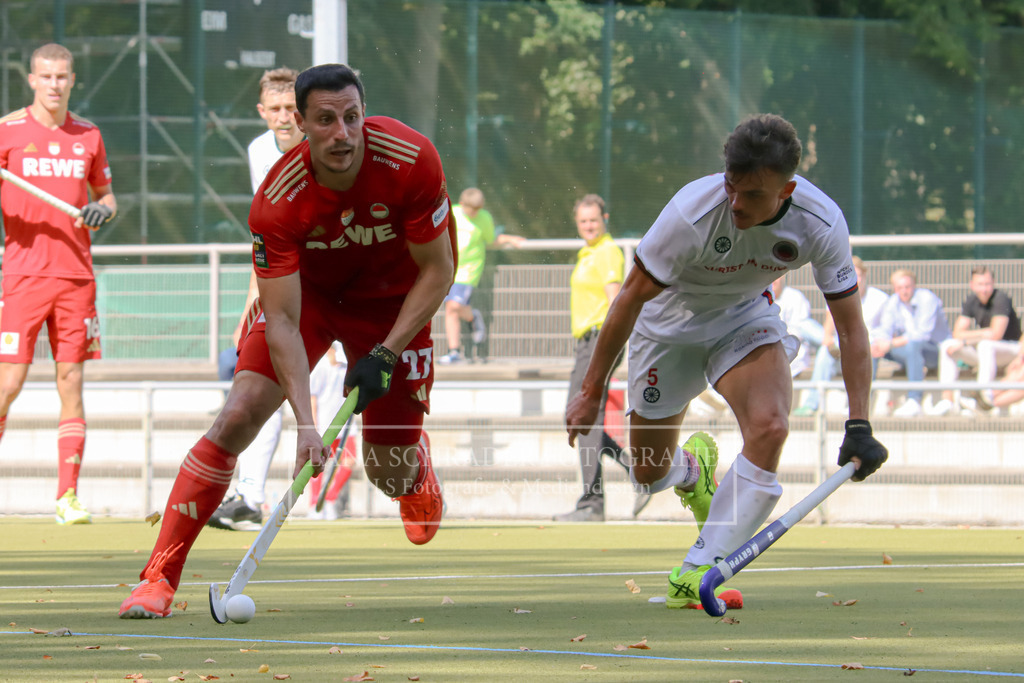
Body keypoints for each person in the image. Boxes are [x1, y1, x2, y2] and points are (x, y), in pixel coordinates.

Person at [119, 63, 454, 618]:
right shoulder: (277, 200)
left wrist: (386, 352)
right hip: (311, 301)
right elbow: (281, 320)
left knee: (386, 471)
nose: (342, 134)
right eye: (325, 121)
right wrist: (304, 422)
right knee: (238, 413)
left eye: (351, 118)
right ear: (300, 123)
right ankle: (158, 579)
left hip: (395, 302)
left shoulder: (411, 159)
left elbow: (438, 272)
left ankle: (412, 463)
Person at [565, 114, 887, 609]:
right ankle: (691, 471)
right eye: (732, 187)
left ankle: (696, 570)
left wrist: (859, 421)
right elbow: (627, 299)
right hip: (664, 326)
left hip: (742, 318)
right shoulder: (692, 211)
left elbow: (849, 327)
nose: (736, 203)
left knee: (771, 425)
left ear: (788, 189)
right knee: (647, 473)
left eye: (753, 194)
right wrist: (590, 392)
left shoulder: (821, 223)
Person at [0, 43, 117, 525]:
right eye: (46, 76)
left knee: (71, 382)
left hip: (75, 278)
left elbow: (107, 196)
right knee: (8, 383)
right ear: (31, 80)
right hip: (23, 276)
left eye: (62, 77)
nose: (54, 84)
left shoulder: (88, 135)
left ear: (73, 80)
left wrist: (101, 210)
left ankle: (67, 497)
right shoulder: (8, 131)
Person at [207, 67, 310, 531]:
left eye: (292, 109)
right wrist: (253, 297)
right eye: (276, 110)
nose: (285, 118)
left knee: (330, 398)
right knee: (264, 384)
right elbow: (267, 231)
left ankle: (404, 476)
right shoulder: (258, 152)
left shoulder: (320, 145)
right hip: (288, 283)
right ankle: (249, 494)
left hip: (337, 277)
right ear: (262, 112)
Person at [553, 194, 650, 522]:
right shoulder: (587, 252)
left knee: (581, 419)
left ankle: (591, 504)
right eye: (583, 221)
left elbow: (615, 301)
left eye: (593, 220)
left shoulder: (607, 251)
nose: (588, 226)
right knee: (581, 419)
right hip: (586, 342)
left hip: (599, 340)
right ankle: (633, 470)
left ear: (604, 218)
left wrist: (612, 345)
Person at [437, 188, 525, 365]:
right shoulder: (452, 212)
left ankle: (472, 318)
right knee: (451, 309)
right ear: (462, 205)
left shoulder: (484, 218)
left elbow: (491, 239)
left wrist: (508, 238)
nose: (475, 213)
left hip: (469, 270)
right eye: (472, 209)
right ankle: (455, 351)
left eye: (478, 209)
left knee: (454, 305)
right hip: (450, 268)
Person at [795, 257, 888, 415]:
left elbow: (886, 329)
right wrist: (827, 338)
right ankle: (811, 404)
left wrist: (881, 343)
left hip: (866, 347)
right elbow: (829, 321)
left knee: (866, 351)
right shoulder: (839, 293)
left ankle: (857, 408)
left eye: (857, 274)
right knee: (820, 345)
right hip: (840, 343)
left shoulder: (880, 298)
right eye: (851, 274)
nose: (855, 279)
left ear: (865, 275)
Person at [931, 266, 1021, 416]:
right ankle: (947, 400)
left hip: (1009, 350)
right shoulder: (971, 300)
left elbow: (996, 334)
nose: (984, 289)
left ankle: (982, 394)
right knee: (948, 345)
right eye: (980, 284)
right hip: (985, 351)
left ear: (993, 283)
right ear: (972, 284)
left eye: (988, 284)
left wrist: (967, 340)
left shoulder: (1001, 298)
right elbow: (958, 333)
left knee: (986, 345)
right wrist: (982, 333)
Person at [872, 269, 951, 417]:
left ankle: (914, 400)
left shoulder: (927, 298)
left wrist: (890, 343)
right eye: (899, 288)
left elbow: (921, 334)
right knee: (873, 348)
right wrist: (880, 342)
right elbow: (884, 329)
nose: (904, 291)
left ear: (914, 285)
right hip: (908, 350)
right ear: (895, 288)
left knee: (913, 345)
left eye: (907, 287)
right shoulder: (893, 302)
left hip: (934, 352)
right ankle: (865, 399)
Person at [771, 274, 823, 377]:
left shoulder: (794, 296)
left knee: (807, 326)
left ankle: (832, 342)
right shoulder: (759, 300)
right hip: (771, 356)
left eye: (776, 277)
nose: (773, 281)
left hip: (794, 357)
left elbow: (799, 331)